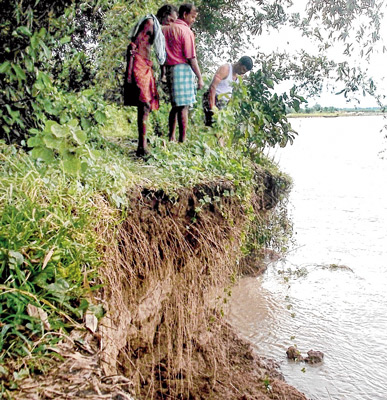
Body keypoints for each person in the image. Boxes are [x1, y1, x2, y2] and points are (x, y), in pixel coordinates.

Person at [124, 14, 166, 157]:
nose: (171, 23)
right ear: (165, 17)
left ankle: (142, 145)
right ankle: (142, 146)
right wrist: (129, 72)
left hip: (145, 65)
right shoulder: (149, 22)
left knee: (145, 106)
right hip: (139, 64)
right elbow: (133, 45)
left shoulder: (156, 29)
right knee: (145, 104)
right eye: (171, 20)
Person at [162, 3, 204, 142]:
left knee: (175, 106)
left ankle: (171, 136)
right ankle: (182, 139)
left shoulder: (166, 29)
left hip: (169, 69)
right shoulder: (186, 31)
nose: (193, 20)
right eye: (192, 17)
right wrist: (199, 77)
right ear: (185, 14)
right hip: (182, 69)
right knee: (184, 106)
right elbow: (191, 57)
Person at [203, 56, 254, 126]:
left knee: (219, 130)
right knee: (210, 126)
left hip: (223, 104)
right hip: (213, 99)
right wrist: (212, 107)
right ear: (239, 63)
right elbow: (212, 87)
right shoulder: (225, 69)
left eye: (245, 72)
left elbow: (232, 91)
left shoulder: (240, 76)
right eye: (243, 69)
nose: (243, 72)